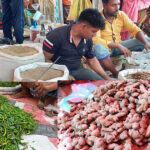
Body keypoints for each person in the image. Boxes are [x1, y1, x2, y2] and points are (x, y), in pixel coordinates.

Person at [43, 8, 109, 80]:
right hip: (58, 72)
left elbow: (92, 60)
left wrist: (106, 78)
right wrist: (63, 76)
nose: (95, 35)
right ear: (83, 26)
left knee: (102, 83)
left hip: (78, 70)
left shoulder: (88, 39)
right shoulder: (56, 36)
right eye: (93, 31)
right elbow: (47, 60)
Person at [93, 0, 150, 78]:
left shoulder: (121, 14)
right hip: (106, 50)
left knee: (146, 40)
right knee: (98, 48)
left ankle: (132, 64)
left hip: (119, 47)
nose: (117, 8)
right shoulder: (97, 18)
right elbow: (95, 40)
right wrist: (116, 45)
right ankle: (115, 73)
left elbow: (134, 29)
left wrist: (145, 43)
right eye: (113, 5)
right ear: (104, 5)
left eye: (118, 4)